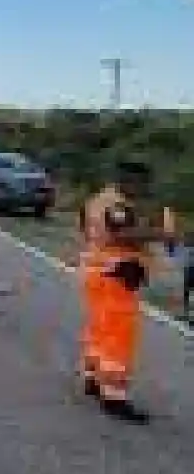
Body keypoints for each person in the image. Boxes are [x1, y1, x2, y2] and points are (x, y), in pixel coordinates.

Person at [77, 160, 176, 422]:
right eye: (143, 183)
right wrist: (160, 234)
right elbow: (122, 235)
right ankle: (114, 396)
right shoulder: (117, 205)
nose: (145, 189)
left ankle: (93, 378)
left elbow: (88, 231)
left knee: (100, 330)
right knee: (118, 337)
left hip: (97, 272)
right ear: (129, 180)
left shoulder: (99, 200)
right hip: (116, 275)